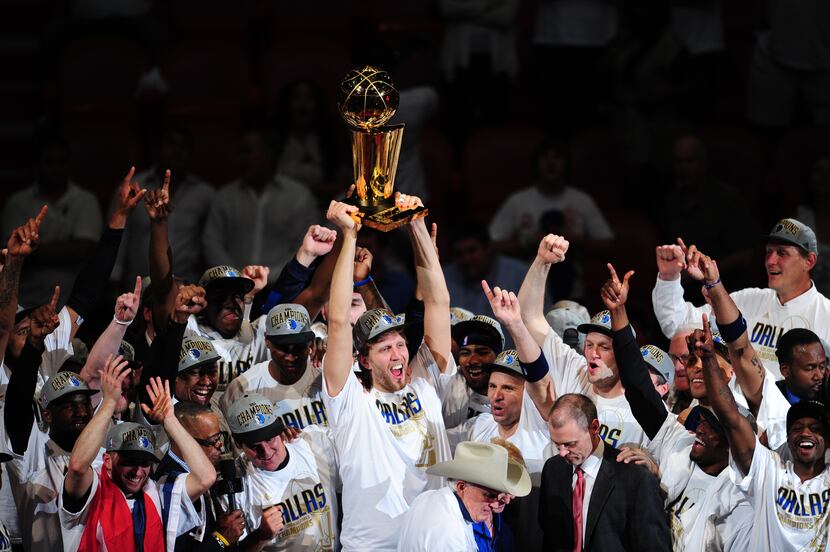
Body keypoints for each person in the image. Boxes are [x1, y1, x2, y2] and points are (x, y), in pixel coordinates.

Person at [322, 195, 454, 551]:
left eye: (399, 344)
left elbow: (438, 303)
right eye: (384, 349)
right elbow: (337, 322)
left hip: (434, 541)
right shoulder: (350, 399)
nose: (398, 353)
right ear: (363, 360)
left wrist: (416, 224)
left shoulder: (424, 382)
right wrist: (349, 237)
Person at [600, 261, 753, 550]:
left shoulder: (742, 481)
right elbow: (639, 389)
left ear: (730, 372)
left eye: (707, 359)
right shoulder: (679, 440)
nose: (695, 367)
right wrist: (619, 313)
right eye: (692, 359)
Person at [695, 317, 830, 551]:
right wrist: (708, 361)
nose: (806, 433)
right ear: (786, 438)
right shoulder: (768, 471)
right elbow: (731, 419)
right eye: (797, 428)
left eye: (816, 429)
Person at [59, 361, 216, 550]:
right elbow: (77, 466)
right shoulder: (92, 492)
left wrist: (170, 420)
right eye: (130, 461)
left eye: (144, 462)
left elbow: (206, 477)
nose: (138, 470)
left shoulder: (156, 492)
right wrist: (109, 402)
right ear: (108, 461)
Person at [652, 217, 830, 378]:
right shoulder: (748, 300)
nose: (770, 261)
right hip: (735, 412)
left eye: (782, 253)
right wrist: (669, 278)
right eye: (768, 252)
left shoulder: (826, 315)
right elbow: (676, 325)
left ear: (810, 261)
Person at [518, 234, 649, 449]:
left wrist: (650, 462)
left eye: (604, 347)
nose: (593, 353)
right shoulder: (574, 368)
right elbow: (528, 317)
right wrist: (542, 262)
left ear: (624, 355)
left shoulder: (646, 404)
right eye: (589, 344)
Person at [539, 394, 671, 552]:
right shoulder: (553, 469)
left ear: (594, 428)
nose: (562, 453)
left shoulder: (635, 478)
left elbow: (653, 546)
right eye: (557, 444)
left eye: (570, 444)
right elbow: (549, 535)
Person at [223, 392, 338, 550]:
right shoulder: (235, 484)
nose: (266, 452)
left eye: (270, 439)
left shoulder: (315, 443)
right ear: (238, 443)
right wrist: (260, 535)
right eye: (254, 446)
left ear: (279, 429)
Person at [0, 135, 102, 307]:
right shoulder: (17, 202)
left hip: (72, 304)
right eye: (49, 161)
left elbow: (85, 249)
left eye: (61, 161)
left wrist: (35, 250)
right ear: (38, 164)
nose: (56, 168)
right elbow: (10, 253)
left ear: (69, 164)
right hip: (25, 303)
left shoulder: (86, 200)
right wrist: (64, 247)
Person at [202, 128, 318, 277]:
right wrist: (235, 277)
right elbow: (211, 242)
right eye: (240, 152)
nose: (242, 158)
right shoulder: (225, 197)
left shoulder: (298, 196)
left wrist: (269, 278)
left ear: (268, 154)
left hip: (283, 288)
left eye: (247, 151)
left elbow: (304, 247)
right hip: (230, 288)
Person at [111, 133, 215, 286]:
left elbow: (210, 241)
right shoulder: (134, 186)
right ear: (158, 149)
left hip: (186, 288)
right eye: (171, 144)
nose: (177, 151)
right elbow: (120, 231)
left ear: (191, 154)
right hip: (137, 287)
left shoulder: (204, 194)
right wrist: (113, 277)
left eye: (183, 147)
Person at [397, 441, 530, 552]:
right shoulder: (452, 534)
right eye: (489, 495)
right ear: (461, 487)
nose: (496, 504)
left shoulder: (425, 498)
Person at [660, 135, 756, 286]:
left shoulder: (727, 200)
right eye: (679, 162)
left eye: (690, 161)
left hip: (723, 286)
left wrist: (704, 271)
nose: (683, 168)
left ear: (702, 163)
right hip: (682, 288)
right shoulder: (671, 201)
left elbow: (745, 255)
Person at [220, 303, 329, 432]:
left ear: (310, 343)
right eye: (282, 348)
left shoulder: (326, 379)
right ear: (267, 341)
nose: (290, 357)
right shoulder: (244, 387)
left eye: (298, 348)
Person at [153, 401, 246, 551]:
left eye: (219, 437)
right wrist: (221, 538)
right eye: (212, 441)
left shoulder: (196, 468)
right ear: (184, 441)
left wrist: (216, 526)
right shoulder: (169, 482)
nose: (219, 445)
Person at [444, 221, 529, 316]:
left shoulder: (519, 274)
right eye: (459, 253)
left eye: (472, 251)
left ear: (488, 248)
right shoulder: (444, 278)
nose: (466, 259)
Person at [442, 314, 504, 429]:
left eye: (482, 352)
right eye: (465, 353)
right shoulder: (446, 383)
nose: (473, 361)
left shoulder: (516, 395)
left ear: (498, 356)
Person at [775, 328, 829, 404]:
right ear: (785, 370)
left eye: (822, 367)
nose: (819, 376)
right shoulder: (768, 399)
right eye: (810, 368)